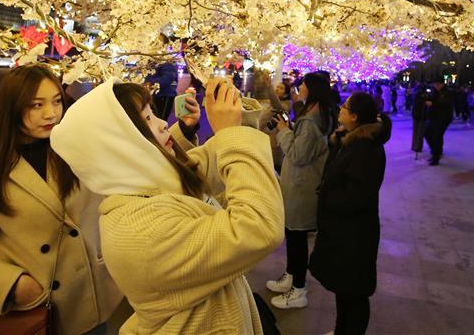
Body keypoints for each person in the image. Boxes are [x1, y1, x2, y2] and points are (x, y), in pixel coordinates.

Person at [50, 77, 284, 334]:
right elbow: (257, 227)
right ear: (120, 146)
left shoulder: (150, 185)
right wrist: (231, 132)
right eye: (148, 119)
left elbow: (206, 163)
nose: (163, 124)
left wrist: (236, 116)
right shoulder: (138, 229)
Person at [0, 64, 122, 335]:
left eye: (57, 101)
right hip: (40, 312)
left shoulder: (76, 151)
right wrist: (14, 285)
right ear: (12, 108)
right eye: (36, 105)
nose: (51, 114)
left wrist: (185, 133)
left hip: (92, 303)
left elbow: (134, 162)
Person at [309, 92, 391, 335]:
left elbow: (357, 195)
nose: (340, 110)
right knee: (344, 288)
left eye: (344, 107)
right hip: (344, 232)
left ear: (354, 117)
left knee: (353, 294)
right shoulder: (349, 140)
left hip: (354, 234)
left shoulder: (365, 148)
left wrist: (325, 196)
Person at [266, 72, 333, 310]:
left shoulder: (312, 120)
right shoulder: (314, 114)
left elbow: (297, 154)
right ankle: (291, 276)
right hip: (300, 184)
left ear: (311, 89)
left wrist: (283, 130)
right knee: (293, 235)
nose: (298, 89)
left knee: (296, 238)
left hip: (302, 187)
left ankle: (298, 289)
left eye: (302, 85)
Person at [425, 80, 453, 166]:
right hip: (433, 117)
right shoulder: (434, 91)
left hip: (443, 118)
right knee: (428, 134)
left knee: (437, 137)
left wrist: (433, 103)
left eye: (437, 84)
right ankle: (436, 151)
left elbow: (445, 103)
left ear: (442, 84)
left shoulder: (447, 92)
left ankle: (436, 157)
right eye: (434, 84)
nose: (435, 86)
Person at [411, 84, 428, 160]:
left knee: (418, 132)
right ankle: (417, 146)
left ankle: (416, 146)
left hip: (420, 115)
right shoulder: (419, 96)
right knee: (419, 132)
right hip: (419, 115)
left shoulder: (418, 95)